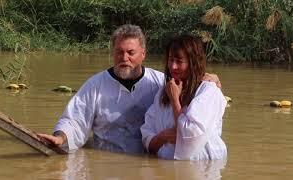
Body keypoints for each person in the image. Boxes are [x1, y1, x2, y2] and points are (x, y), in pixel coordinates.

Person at [38, 24, 222, 154]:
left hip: (147, 161)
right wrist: (60, 138)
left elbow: (196, 93)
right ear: (113, 53)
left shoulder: (160, 83)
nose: (124, 58)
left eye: (131, 52)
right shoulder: (96, 85)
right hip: (106, 159)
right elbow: (74, 120)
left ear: (143, 54)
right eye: (119, 52)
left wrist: (210, 77)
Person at [140, 35, 227, 160]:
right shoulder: (163, 92)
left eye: (179, 61)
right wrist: (163, 137)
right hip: (165, 168)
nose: (173, 66)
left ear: (193, 63)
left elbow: (190, 138)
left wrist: (175, 100)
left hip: (201, 169)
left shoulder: (208, 91)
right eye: (170, 60)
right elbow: (147, 134)